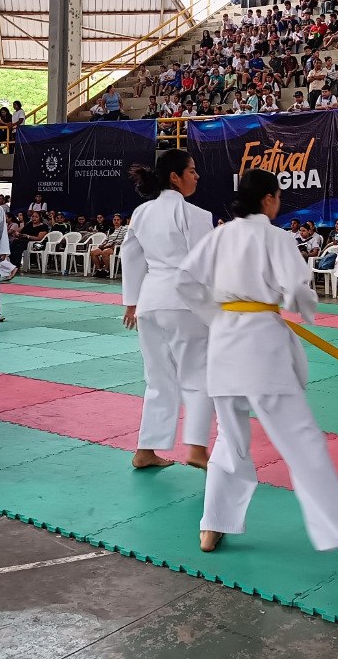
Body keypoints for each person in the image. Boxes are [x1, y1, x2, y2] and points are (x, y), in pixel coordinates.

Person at [177, 169, 338, 566]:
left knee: (230, 437)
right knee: (303, 442)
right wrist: (305, 309)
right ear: (267, 199)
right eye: (277, 197)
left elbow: (185, 283)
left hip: (224, 344)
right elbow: (297, 289)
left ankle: (212, 523)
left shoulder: (219, 236)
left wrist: (218, 315)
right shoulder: (275, 237)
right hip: (261, 346)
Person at [121, 150, 214, 470]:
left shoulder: (142, 213)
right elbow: (205, 267)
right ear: (175, 177)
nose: (197, 176)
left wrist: (131, 302)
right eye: (192, 171)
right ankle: (197, 449)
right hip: (184, 303)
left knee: (158, 380)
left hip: (150, 303)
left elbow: (130, 256)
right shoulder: (197, 215)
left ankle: (146, 450)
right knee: (199, 376)